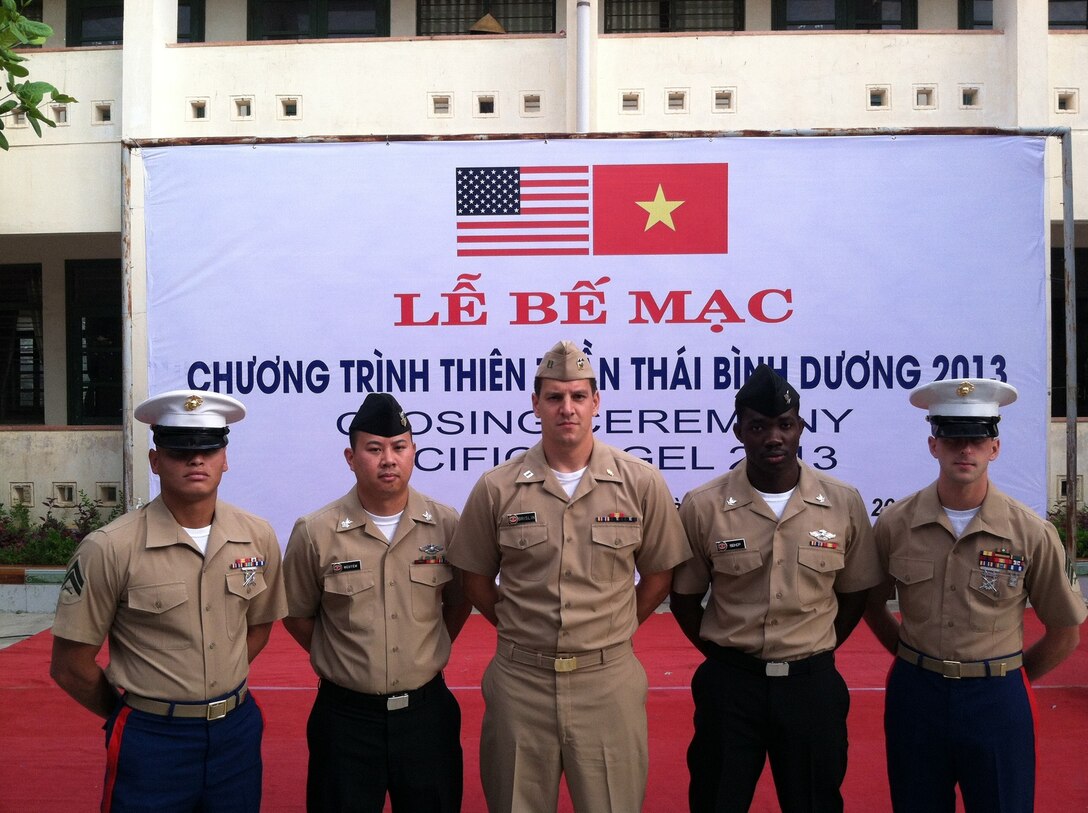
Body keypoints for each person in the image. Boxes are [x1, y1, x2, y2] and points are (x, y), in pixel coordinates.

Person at [447, 339, 690, 813]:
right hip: (522, 683)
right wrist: (521, 630)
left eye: (579, 396)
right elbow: (474, 578)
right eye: (555, 397)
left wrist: (612, 630)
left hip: (608, 683)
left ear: (596, 402)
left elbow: (659, 575)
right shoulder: (497, 487)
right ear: (535, 403)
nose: (567, 408)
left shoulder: (639, 482)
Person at [49, 390, 287, 812]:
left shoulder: (257, 535)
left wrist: (212, 677)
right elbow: (70, 664)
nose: (196, 460)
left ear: (225, 458)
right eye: (179, 450)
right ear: (156, 461)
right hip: (152, 739)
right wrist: (131, 712)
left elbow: (259, 625)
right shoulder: (110, 547)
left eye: (209, 448)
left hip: (236, 731)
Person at [863, 378, 1086, 813]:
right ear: (934, 445)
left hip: (997, 700)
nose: (965, 449)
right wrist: (912, 659)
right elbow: (871, 605)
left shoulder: (1030, 532)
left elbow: (1065, 631)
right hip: (917, 696)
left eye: (977, 438)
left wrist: (1008, 676)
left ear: (994, 448)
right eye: (953, 436)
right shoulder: (895, 523)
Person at [670, 364, 882, 813]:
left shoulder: (842, 502)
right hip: (730, 688)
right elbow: (684, 597)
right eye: (758, 425)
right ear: (739, 430)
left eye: (785, 425)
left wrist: (813, 649)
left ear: (800, 427)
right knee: (716, 800)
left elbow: (854, 594)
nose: (773, 437)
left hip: (811, 688)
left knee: (814, 803)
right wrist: (726, 658)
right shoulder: (703, 506)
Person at [283, 392, 469, 813]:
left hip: (426, 715)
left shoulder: (446, 524)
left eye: (399, 447)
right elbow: (297, 615)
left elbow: (458, 603)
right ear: (350, 457)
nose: (388, 459)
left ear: (413, 453)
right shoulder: (316, 531)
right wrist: (346, 658)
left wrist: (423, 651)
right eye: (374, 449)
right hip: (346, 720)